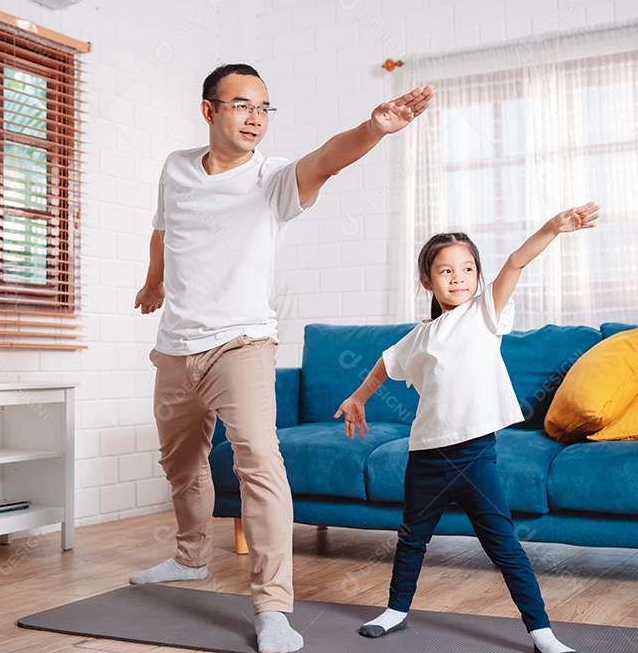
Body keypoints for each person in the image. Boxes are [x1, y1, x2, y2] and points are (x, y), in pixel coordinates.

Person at [133, 63, 434, 653]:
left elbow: (326, 160)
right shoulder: (176, 167)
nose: (255, 118)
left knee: (260, 464)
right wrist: (153, 281)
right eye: (242, 105)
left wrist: (373, 129)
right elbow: (163, 231)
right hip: (175, 346)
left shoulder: (271, 178)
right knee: (181, 463)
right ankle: (190, 558)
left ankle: (272, 607)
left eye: (264, 108)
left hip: (242, 343)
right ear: (209, 110)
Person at [335, 202, 601, 653]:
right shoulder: (419, 335)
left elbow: (515, 261)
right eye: (445, 271)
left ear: (478, 275)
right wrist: (358, 398)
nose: (458, 278)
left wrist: (553, 228)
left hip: (474, 456)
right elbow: (384, 363)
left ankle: (542, 633)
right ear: (427, 280)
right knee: (411, 538)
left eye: (467, 269)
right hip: (425, 457)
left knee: (504, 546)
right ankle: (396, 610)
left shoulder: (484, 313)